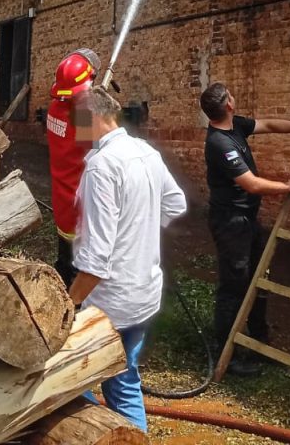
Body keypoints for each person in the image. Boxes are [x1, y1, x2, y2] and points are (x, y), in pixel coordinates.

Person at [69, 86, 186, 432]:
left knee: (70, 382)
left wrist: (68, 304)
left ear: (92, 118)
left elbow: (96, 258)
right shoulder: (145, 151)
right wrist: (142, 226)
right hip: (145, 292)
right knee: (125, 378)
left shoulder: (102, 167)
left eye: (76, 121)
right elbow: (175, 204)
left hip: (111, 303)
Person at [200, 81, 290, 376]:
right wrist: (287, 186)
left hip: (247, 220)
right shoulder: (220, 143)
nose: (234, 95)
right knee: (234, 286)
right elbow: (250, 184)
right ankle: (225, 353)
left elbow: (267, 124)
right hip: (230, 223)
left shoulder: (235, 126)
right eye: (231, 94)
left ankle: (258, 340)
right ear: (228, 104)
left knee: (258, 277)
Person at [46, 47, 101, 286]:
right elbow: (100, 149)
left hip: (62, 199)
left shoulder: (54, 108)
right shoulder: (82, 115)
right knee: (79, 273)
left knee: (64, 261)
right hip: (82, 206)